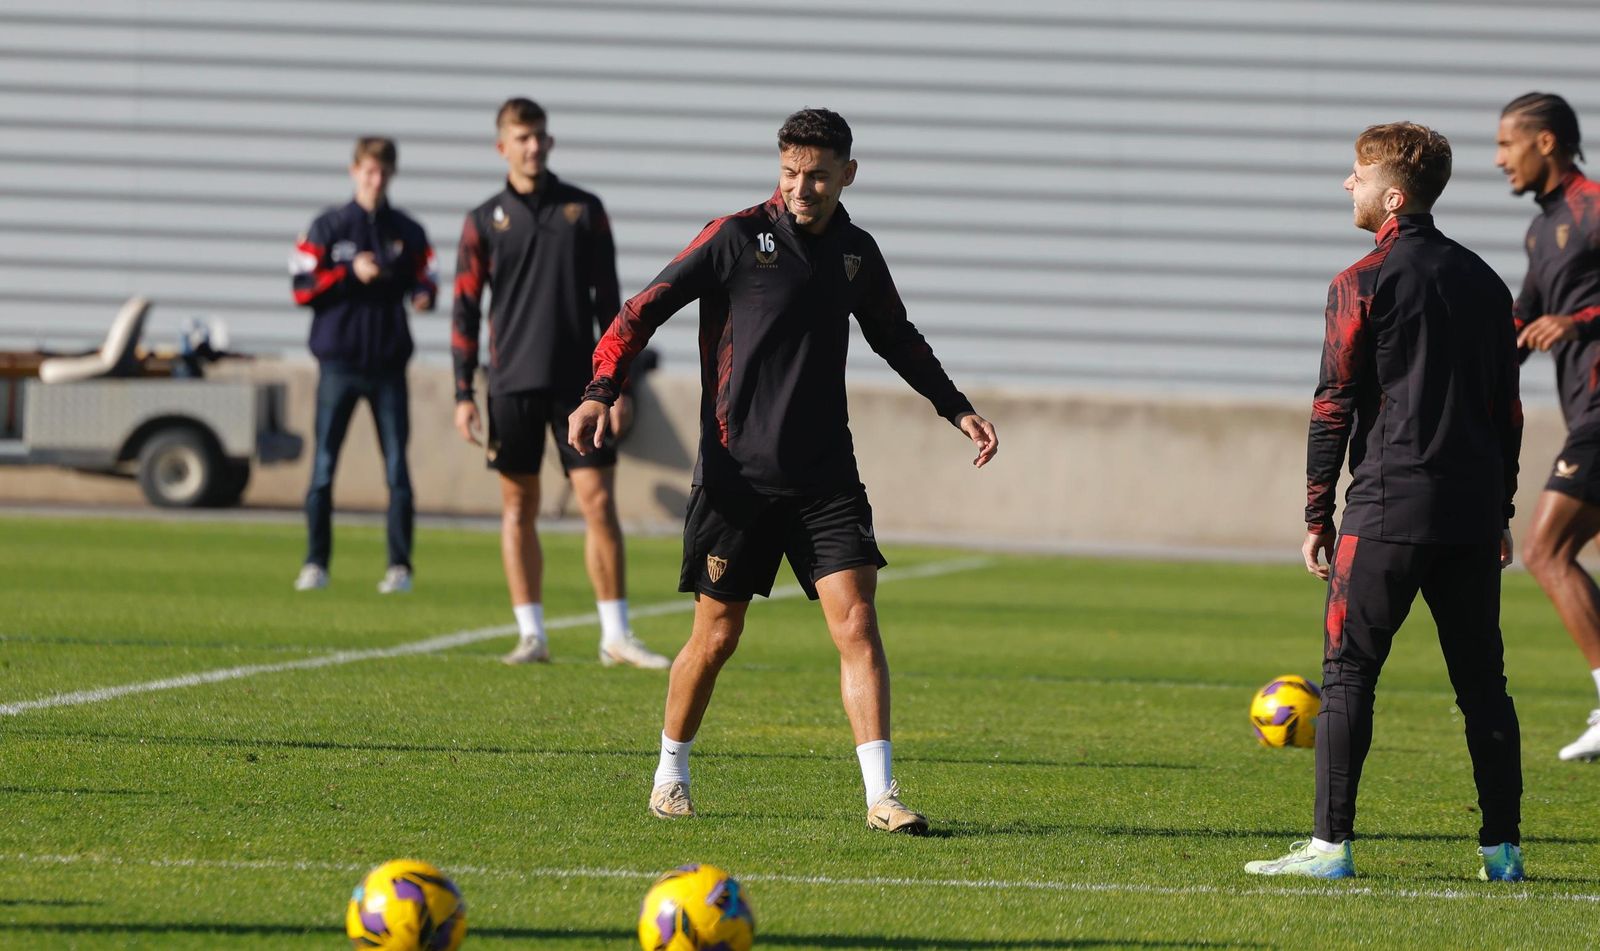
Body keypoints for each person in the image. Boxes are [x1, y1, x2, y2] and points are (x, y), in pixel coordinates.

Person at [568, 108, 999, 833]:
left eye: (818, 176)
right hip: (736, 479)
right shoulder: (735, 237)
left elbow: (897, 337)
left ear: (847, 175)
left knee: (858, 622)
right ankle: (670, 773)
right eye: (791, 173)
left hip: (826, 478)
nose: (802, 188)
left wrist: (956, 408)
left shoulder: (857, 253)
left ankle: (882, 796)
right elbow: (640, 311)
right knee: (717, 636)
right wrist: (600, 389)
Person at [1246, 123, 1525, 881]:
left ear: (1393, 196)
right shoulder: (1487, 282)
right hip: (1470, 516)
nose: (1349, 184)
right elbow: (1507, 411)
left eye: (1359, 174)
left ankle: (1329, 849)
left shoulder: (1360, 281)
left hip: (1387, 509)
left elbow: (1332, 403)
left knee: (1347, 675)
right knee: (1483, 686)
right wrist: (1500, 511)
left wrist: (1317, 514)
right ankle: (1503, 851)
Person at [452, 98, 669, 669]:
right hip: (510, 386)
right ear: (502, 146)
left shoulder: (585, 210)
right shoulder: (482, 221)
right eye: (522, 137)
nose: (533, 146)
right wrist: (462, 393)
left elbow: (613, 307)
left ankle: (615, 636)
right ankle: (532, 635)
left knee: (598, 503)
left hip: (580, 389)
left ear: (549, 142)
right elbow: (464, 311)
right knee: (517, 507)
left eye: (540, 136)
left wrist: (617, 387)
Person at [1495, 93, 1600, 762]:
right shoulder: (1543, 229)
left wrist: (1578, 323)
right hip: (1584, 410)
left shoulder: (1594, 207)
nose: (1498, 159)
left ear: (1546, 142)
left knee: (1546, 550)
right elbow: (1523, 318)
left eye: (1507, 143)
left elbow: (1563, 318)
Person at [290, 137, 435, 594]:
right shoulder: (328, 226)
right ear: (354, 171)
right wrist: (349, 272)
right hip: (338, 364)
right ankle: (315, 563)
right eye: (369, 171)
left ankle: (400, 568)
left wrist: (422, 295)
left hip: (388, 366)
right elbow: (301, 287)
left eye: (383, 173)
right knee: (323, 469)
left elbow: (427, 281)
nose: (376, 180)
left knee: (396, 470)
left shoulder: (407, 230)